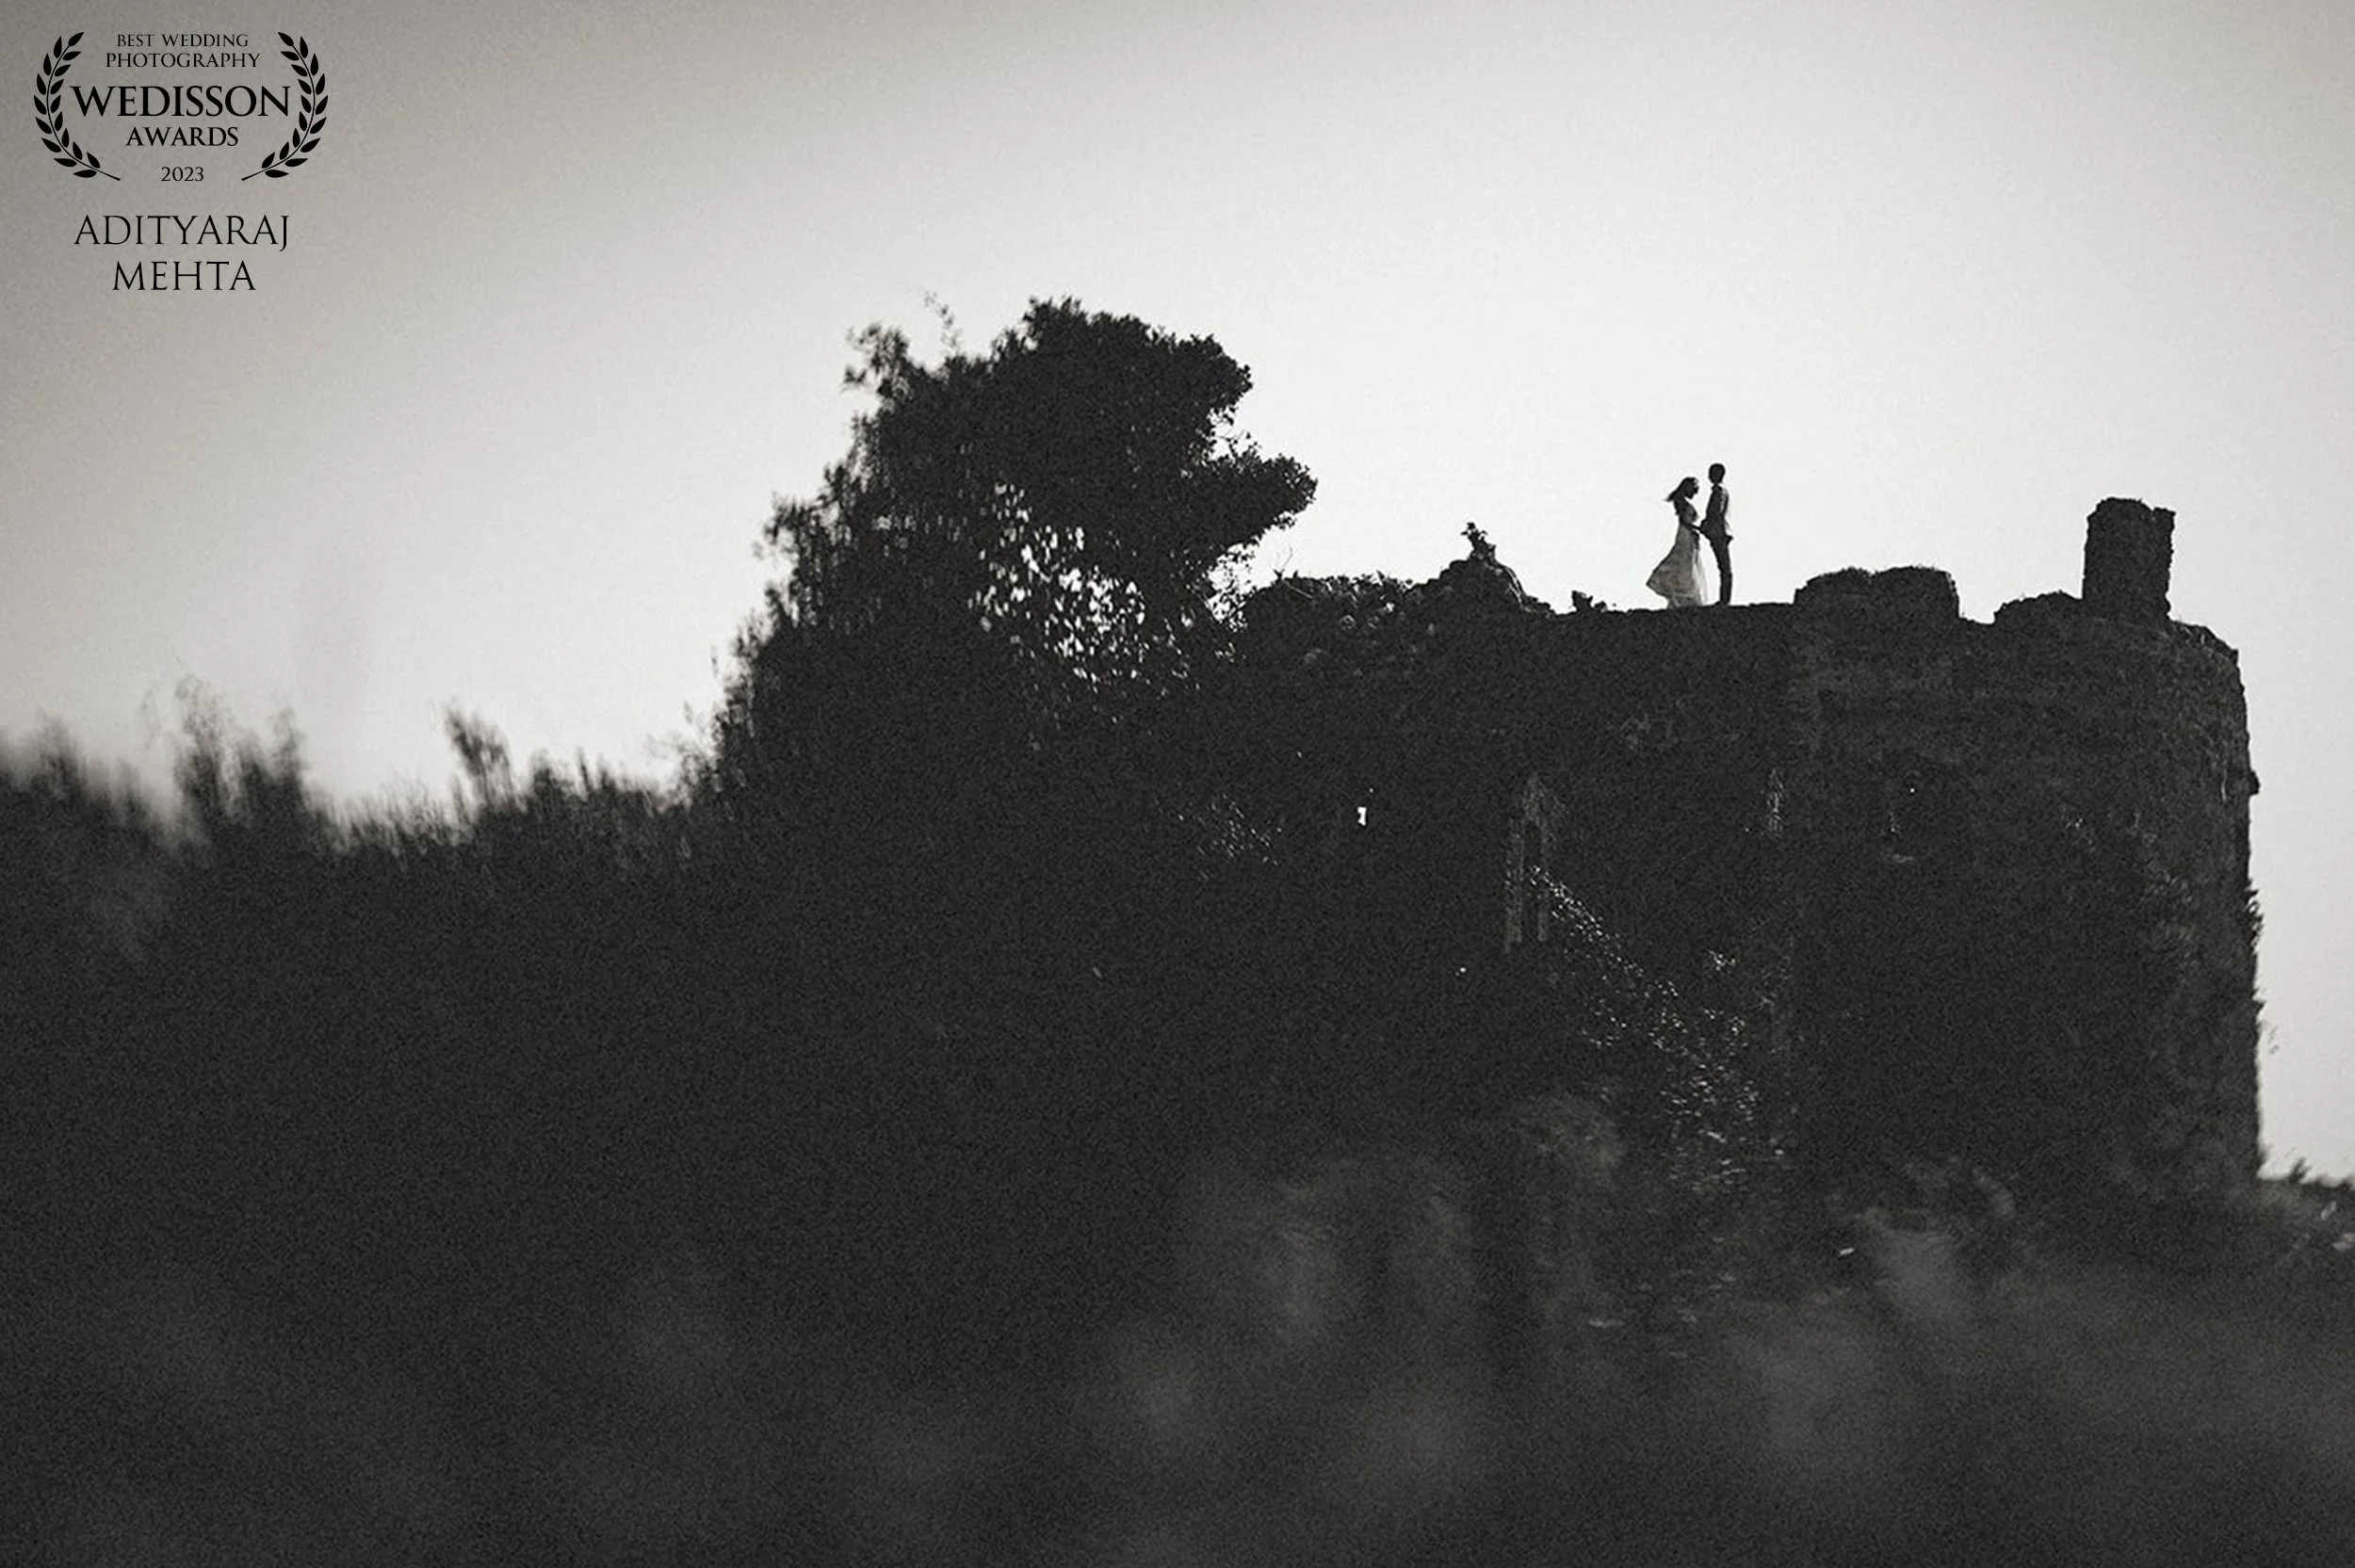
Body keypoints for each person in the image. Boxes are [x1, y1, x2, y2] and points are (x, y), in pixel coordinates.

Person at [1647, 477, 1709, 607]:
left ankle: (1681, 596)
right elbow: (1685, 522)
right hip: (1686, 534)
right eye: (1694, 490)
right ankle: (1680, 592)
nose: (1695, 493)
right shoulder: (1682, 502)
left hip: (1688, 534)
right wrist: (1698, 529)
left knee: (1686, 562)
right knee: (1684, 562)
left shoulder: (1682, 501)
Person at [1699, 461, 1732, 606]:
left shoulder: (1718, 491)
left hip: (1718, 532)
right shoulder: (1720, 490)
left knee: (1724, 567)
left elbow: (1715, 512)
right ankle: (1724, 599)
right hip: (1720, 531)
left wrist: (1706, 524)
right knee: (1724, 567)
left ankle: (1725, 600)